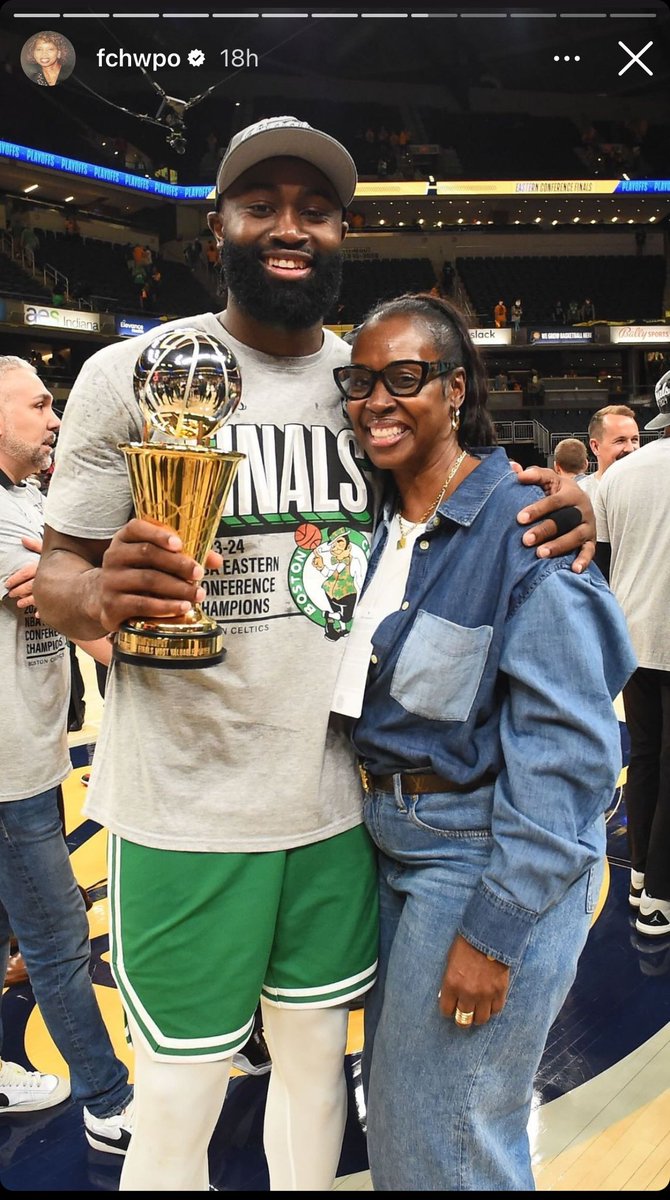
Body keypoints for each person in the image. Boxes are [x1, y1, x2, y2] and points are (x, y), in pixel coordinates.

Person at [33, 117, 596, 1192]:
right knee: (179, 1098)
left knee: (316, 1080)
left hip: (345, 809)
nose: (289, 228)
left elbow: (478, 500)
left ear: (343, 232)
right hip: (186, 808)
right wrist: (97, 590)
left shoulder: (374, 388)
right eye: (262, 206)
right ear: (219, 230)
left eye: (315, 210)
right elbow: (56, 572)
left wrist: (576, 505)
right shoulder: (129, 372)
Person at [330, 292, 636, 1192]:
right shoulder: (373, 524)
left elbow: (573, 755)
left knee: (447, 1141)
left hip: (484, 860)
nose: (378, 400)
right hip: (395, 851)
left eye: (406, 378)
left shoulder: (526, 529)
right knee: (407, 1119)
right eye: (361, 381)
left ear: (456, 390)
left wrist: (495, 933)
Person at [0, 355, 134, 1147]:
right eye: (38, 406)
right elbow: (84, 612)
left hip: (33, 753)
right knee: (56, 939)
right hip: (8, 770)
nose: (54, 421)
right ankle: (110, 1104)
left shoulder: (30, 499)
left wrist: (63, 577)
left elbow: (61, 586)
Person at [594, 369, 670, 938]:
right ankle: (661, 902)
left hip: (633, 639)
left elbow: (600, 562)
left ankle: (641, 873)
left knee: (645, 759)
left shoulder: (622, 474)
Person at [578, 404, 640, 498]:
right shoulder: (580, 494)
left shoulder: (652, 488)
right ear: (596, 447)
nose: (630, 448)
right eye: (620, 441)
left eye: (634, 440)